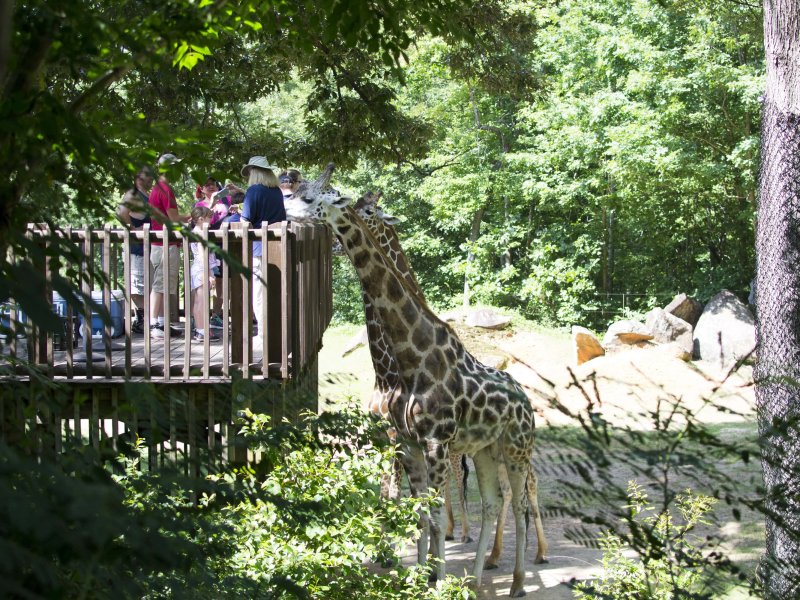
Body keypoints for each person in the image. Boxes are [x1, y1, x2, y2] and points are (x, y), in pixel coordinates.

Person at [229, 156, 286, 354]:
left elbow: (245, 222)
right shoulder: (276, 191)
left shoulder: (254, 191)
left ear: (254, 172)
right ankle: (277, 334)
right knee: (275, 294)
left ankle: (264, 336)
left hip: (259, 250)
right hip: (277, 248)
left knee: (260, 295)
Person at [148, 153, 190, 339]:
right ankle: (153, 324)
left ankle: (163, 323)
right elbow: (173, 218)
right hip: (164, 244)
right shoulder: (165, 189)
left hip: (162, 243)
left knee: (165, 285)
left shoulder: (158, 187)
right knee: (160, 285)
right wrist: (190, 216)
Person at [116, 166, 153, 333]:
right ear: (138, 177)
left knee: (145, 284)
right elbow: (121, 212)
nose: (151, 178)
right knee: (137, 285)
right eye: (147, 174)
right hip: (135, 248)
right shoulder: (133, 193)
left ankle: (145, 320)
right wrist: (132, 229)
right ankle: (142, 321)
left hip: (147, 248)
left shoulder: (146, 195)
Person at [195, 176, 231, 327]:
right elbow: (201, 221)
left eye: (214, 184)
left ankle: (218, 313)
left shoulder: (226, 200)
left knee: (225, 280)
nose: (211, 187)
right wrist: (212, 203)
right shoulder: (199, 205)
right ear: (201, 189)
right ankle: (206, 316)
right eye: (207, 185)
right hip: (210, 246)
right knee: (211, 280)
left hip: (226, 244)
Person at [189, 206, 221, 342]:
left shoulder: (195, 232)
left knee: (198, 301)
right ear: (201, 219)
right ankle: (202, 330)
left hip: (198, 269)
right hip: (202, 270)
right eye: (209, 218)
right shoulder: (201, 234)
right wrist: (209, 275)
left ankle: (200, 329)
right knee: (202, 302)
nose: (211, 221)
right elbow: (203, 256)